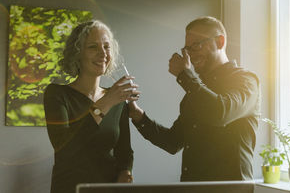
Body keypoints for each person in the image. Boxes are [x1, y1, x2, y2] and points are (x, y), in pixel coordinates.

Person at [128, 16, 261, 181]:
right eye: (188, 49)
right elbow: (173, 142)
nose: (191, 55)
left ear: (220, 42)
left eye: (197, 45)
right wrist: (138, 116)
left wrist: (185, 76)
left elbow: (220, 112)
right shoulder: (195, 91)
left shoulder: (246, 81)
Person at [44, 20, 140, 193]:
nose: (103, 53)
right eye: (93, 47)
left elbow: (124, 152)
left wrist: (125, 172)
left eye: (106, 46)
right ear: (77, 53)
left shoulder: (117, 98)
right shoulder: (57, 94)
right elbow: (64, 148)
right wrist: (106, 103)